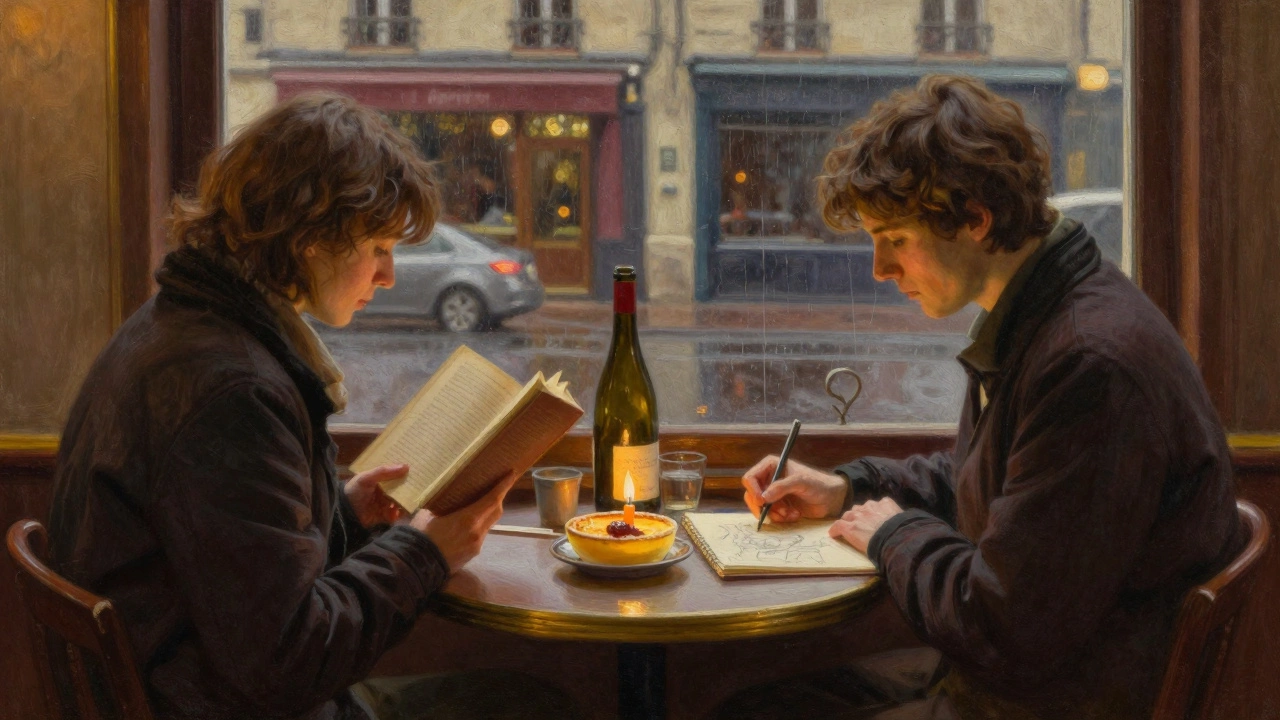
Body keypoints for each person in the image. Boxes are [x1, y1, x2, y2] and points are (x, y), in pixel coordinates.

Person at [721, 75, 1243, 720]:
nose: (881, 270)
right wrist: (848, 489)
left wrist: (894, 534)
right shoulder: (1049, 312)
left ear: (974, 218)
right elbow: (1002, 484)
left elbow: (1001, 630)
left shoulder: (1091, 365)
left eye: (896, 239)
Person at [47, 93, 573, 720]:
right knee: (533, 705)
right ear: (310, 238)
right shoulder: (233, 393)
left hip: (189, 688)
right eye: (378, 246)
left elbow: (230, 565)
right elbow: (290, 662)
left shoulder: (178, 328)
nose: (387, 276)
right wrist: (424, 554)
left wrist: (344, 518)